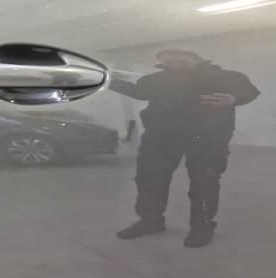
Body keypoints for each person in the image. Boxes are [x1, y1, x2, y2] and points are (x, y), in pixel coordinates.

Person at [110, 49, 260, 248]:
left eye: (177, 61)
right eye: (166, 62)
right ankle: (150, 221)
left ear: (196, 58)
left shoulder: (226, 76)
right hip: (161, 135)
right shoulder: (155, 79)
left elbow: (250, 92)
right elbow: (139, 92)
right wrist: (109, 81)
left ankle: (202, 228)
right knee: (150, 178)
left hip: (208, 136)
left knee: (204, 182)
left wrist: (233, 99)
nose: (171, 65)